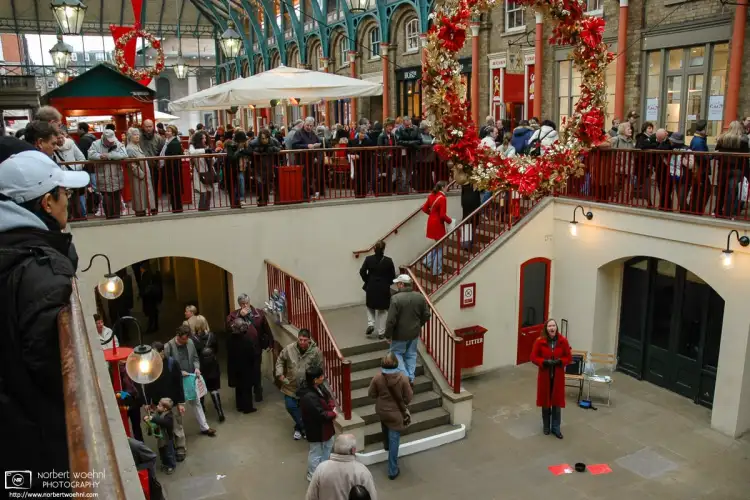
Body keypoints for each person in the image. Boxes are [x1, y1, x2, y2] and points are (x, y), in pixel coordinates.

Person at [0, 149, 90, 492]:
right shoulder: (42, 273)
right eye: (63, 193)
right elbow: (54, 369)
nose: (69, 199)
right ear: (46, 203)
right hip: (35, 442)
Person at [164, 324, 217, 437]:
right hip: (177, 381)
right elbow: (166, 367)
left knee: (196, 402)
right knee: (177, 408)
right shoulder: (168, 347)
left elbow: (195, 358)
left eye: (187, 338)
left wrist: (197, 368)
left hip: (190, 377)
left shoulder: (190, 342)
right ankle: (177, 433)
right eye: (184, 339)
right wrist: (178, 372)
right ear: (178, 336)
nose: (186, 341)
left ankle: (205, 427)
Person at [368, 352, 412, 480]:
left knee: (385, 424)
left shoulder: (377, 377)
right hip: (396, 412)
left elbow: (371, 394)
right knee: (395, 439)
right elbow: (408, 397)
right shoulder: (403, 378)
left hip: (382, 409)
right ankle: (392, 470)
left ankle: (385, 445)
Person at [275, 329, 324, 440]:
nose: (302, 342)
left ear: (309, 340)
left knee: (303, 409)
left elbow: (319, 368)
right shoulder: (289, 349)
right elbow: (280, 360)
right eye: (300, 339)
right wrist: (280, 374)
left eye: (304, 340)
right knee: (290, 406)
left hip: (306, 387)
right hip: (290, 385)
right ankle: (304, 427)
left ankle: (299, 428)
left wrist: (316, 382)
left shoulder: (316, 352)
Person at [226, 293, 273, 401]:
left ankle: (258, 391)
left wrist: (270, 342)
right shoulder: (233, 315)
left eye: (246, 303)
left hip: (255, 348)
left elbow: (266, 329)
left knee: (256, 370)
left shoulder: (258, 313)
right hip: (241, 350)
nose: (245, 306)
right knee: (244, 373)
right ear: (239, 304)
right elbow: (229, 327)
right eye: (242, 304)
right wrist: (240, 316)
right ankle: (245, 395)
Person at [530, 319, 572, 439]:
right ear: (546, 328)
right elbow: (533, 357)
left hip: (557, 377)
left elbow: (568, 357)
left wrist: (560, 361)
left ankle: (556, 428)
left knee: (557, 403)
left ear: (556, 328)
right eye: (549, 326)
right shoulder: (540, 341)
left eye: (553, 325)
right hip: (545, 376)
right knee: (546, 402)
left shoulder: (563, 341)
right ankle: (546, 426)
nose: (552, 328)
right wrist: (544, 362)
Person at [385, 274, 431, 384]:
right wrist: (419, 324)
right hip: (414, 332)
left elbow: (391, 320)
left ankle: (405, 377)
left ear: (401, 284)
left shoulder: (396, 299)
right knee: (411, 354)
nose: (396, 286)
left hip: (399, 334)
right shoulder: (419, 296)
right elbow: (427, 314)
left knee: (396, 353)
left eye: (397, 284)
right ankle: (410, 377)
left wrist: (388, 334)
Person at [146, 341, 188, 461]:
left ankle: (180, 448)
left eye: (156, 353)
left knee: (177, 427)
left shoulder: (172, 363)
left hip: (172, 402)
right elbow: (148, 384)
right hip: (158, 404)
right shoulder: (150, 365)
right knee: (160, 429)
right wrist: (149, 402)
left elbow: (178, 383)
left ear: (162, 352)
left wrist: (181, 402)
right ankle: (166, 450)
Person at [305, 434, 377, 500]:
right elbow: (372, 497)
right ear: (353, 450)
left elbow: (311, 497)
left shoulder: (321, 469)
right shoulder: (362, 472)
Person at [299, 365, 337, 481]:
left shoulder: (318, 387)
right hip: (316, 429)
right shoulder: (309, 396)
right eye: (321, 376)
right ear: (315, 379)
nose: (323, 377)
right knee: (316, 451)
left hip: (323, 428)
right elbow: (319, 414)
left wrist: (331, 406)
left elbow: (328, 397)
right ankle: (313, 474)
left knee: (327, 446)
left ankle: (323, 471)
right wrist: (333, 414)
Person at [360, 240, 397, 339]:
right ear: (384, 249)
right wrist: (387, 282)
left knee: (370, 306)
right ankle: (381, 332)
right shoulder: (388, 261)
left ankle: (371, 324)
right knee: (383, 310)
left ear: (374, 249)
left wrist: (367, 279)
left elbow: (362, 271)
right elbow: (393, 276)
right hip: (384, 287)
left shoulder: (368, 259)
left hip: (371, 286)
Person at [88, 128, 128, 219]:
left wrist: (109, 156)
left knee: (117, 196)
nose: (111, 143)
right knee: (106, 196)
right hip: (103, 175)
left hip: (116, 174)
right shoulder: (96, 144)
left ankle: (117, 216)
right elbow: (90, 154)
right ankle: (109, 216)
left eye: (112, 140)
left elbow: (124, 154)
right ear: (104, 138)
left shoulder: (117, 143)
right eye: (109, 141)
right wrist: (99, 156)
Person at [191, 315, 224, 422]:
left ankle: (203, 413)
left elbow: (192, 355)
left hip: (200, 367)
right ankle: (220, 411)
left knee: (201, 390)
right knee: (214, 389)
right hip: (212, 366)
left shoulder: (193, 339)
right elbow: (216, 349)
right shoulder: (212, 336)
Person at [715, 120, 750, 218]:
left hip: (723, 168)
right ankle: (728, 212)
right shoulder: (743, 140)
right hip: (737, 169)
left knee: (721, 189)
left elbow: (717, 151)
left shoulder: (722, 139)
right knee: (732, 191)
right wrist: (747, 173)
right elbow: (745, 158)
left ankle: (717, 211)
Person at [227, 319, 260, 414]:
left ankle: (239, 406)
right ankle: (247, 407)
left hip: (234, 367)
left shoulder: (229, 339)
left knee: (238, 387)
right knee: (247, 388)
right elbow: (252, 354)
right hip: (246, 368)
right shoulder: (247, 340)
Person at [421, 181, 452, 275]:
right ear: (442, 187)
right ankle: (436, 269)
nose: (447, 188)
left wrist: (432, 215)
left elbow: (424, 208)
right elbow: (442, 215)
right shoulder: (442, 198)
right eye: (446, 187)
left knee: (438, 244)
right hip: (438, 224)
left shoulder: (431, 195)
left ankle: (427, 261)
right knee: (441, 246)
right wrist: (450, 221)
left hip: (431, 222)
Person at [125, 127, 157, 216]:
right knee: (138, 194)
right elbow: (132, 164)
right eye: (135, 135)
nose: (137, 136)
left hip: (143, 175)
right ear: (130, 136)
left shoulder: (136, 146)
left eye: (138, 134)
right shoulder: (130, 148)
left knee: (143, 194)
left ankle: (144, 209)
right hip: (138, 177)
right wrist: (141, 174)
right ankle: (140, 211)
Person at [292, 117, 325, 199]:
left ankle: (310, 194)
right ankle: (303, 195)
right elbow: (294, 145)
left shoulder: (313, 133)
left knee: (310, 177)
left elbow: (319, 142)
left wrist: (318, 145)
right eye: (307, 125)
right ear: (304, 124)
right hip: (302, 159)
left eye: (311, 126)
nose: (309, 127)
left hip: (311, 160)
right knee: (303, 178)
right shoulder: (298, 133)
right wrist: (306, 146)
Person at [144, 397, 176, 474]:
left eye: (159, 405)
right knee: (162, 451)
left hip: (167, 438)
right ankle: (165, 463)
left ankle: (171, 465)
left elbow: (163, 422)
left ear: (165, 409)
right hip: (161, 437)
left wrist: (152, 418)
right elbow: (154, 417)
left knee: (169, 452)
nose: (157, 406)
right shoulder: (158, 412)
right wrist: (149, 416)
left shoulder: (169, 417)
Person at [249, 129, 281, 206]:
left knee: (267, 182)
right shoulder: (254, 142)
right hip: (258, 164)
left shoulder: (273, 141)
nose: (265, 140)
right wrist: (258, 150)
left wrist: (272, 149)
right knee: (260, 182)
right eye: (263, 138)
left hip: (269, 164)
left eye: (266, 138)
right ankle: (262, 199)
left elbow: (280, 147)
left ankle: (264, 199)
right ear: (260, 138)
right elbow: (249, 150)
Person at [160, 124, 184, 213]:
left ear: (174, 133)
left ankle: (177, 208)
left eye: (169, 131)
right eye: (166, 130)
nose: (167, 132)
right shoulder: (168, 141)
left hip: (174, 170)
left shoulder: (174, 143)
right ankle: (175, 207)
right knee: (173, 188)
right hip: (171, 169)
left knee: (175, 188)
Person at [189, 130, 215, 211]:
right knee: (202, 192)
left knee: (208, 191)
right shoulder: (192, 146)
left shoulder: (206, 147)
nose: (205, 140)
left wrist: (210, 156)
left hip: (208, 172)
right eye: (203, 138)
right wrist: (204, 151)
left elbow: (213, 161)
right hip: (199, 172)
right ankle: (202, 210)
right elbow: (192, 153)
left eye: (205, 138)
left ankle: (207, 208)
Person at [140, 119, 165, 202]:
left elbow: (162, 151)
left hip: (153, 166)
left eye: (150, 126)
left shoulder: (158, 138)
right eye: (146, 127)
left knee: (154, 188)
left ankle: (155, 208)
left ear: (153, 126)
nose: (148, 128)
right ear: (143, 127)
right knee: (142, 188)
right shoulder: (138, 137)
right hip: (141, 167)